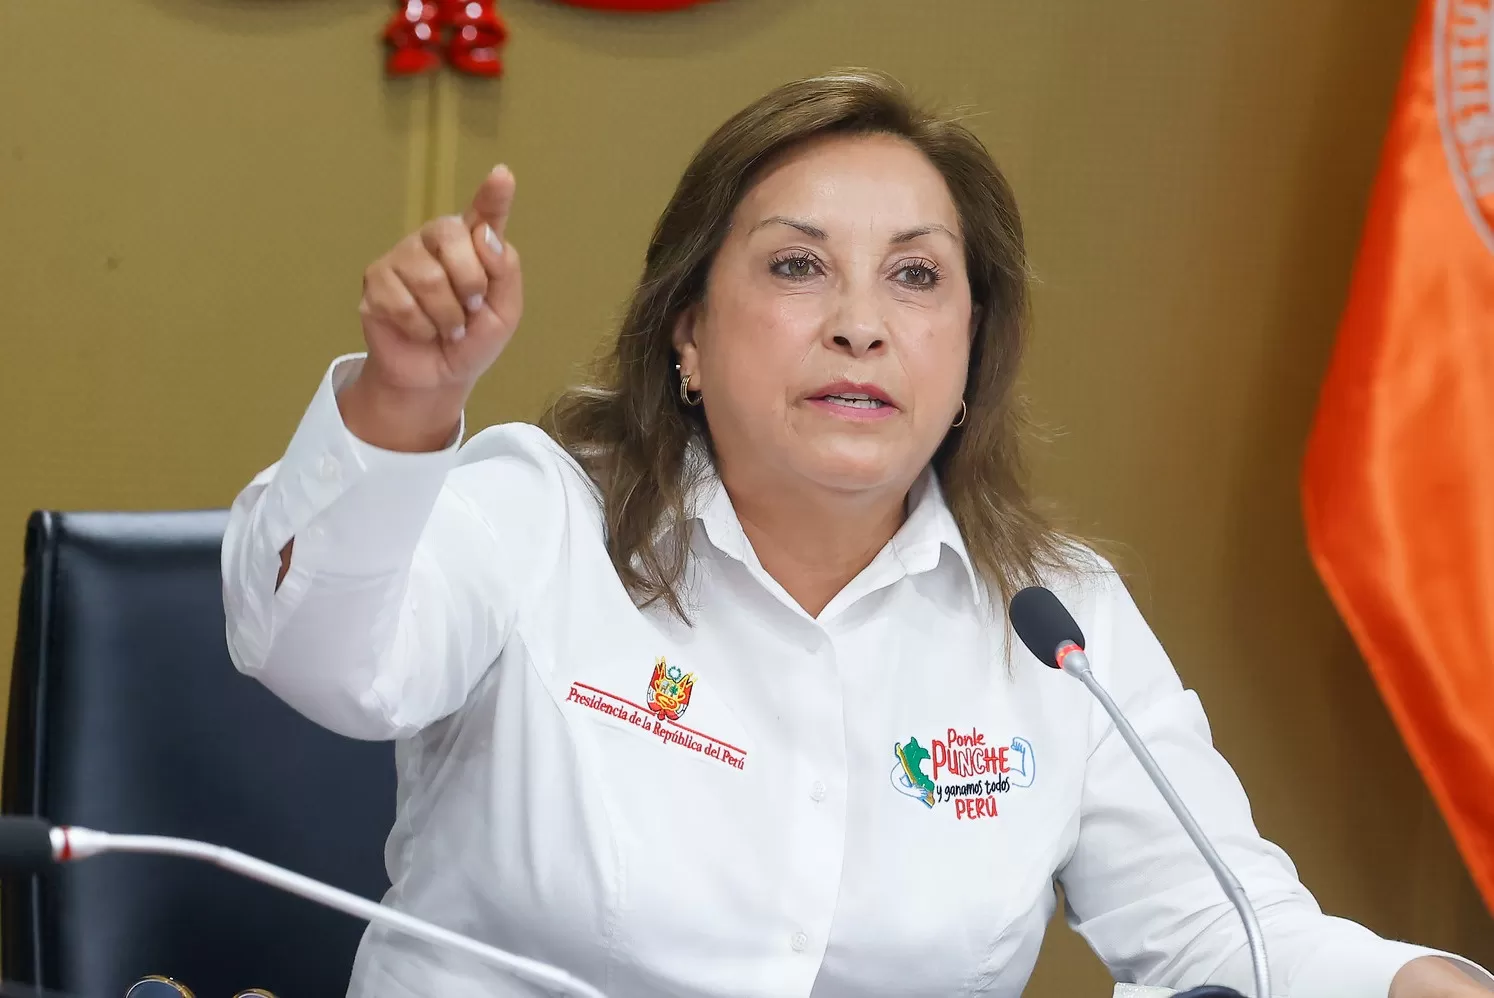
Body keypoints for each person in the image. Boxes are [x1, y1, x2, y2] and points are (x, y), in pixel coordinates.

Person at [222, 71, 1492, 998]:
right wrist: (406, 400)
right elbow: (318, 658)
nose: (861, 324)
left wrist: (1409, 979)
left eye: (917, 275)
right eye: (797, 266)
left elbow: (1227, 928)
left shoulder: (1055, 619)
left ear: (973, 349)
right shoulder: (540, 515)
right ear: (686, 331)